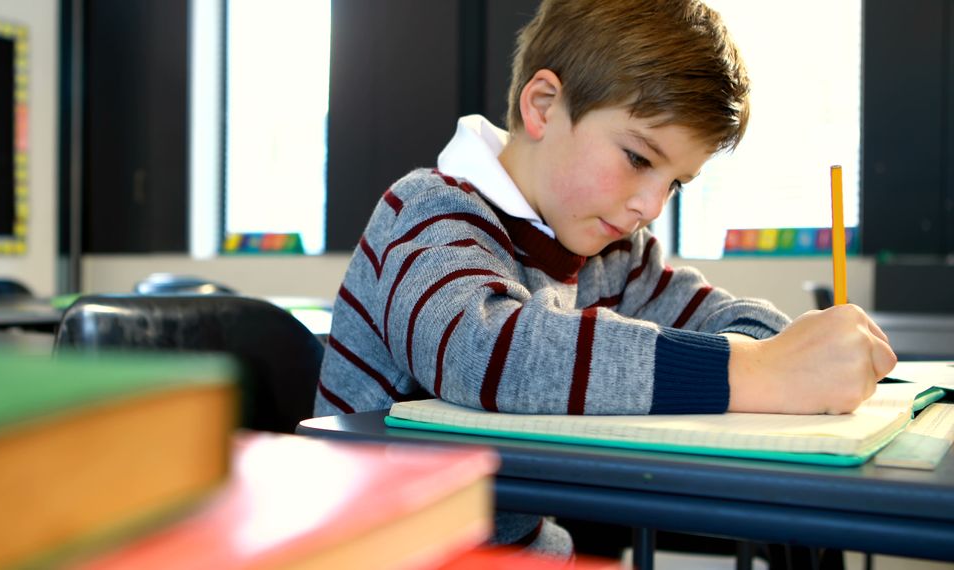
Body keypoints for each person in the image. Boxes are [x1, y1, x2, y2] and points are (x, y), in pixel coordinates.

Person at [314, 0, 896, 558]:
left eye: (676, 183)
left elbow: (719, 316)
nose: (650, 204)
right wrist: (755, 372)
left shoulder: (612, 251)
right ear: (542, 105)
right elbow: (483, 350)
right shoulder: (426, 212)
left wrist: (800, 351)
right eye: (639, 159)